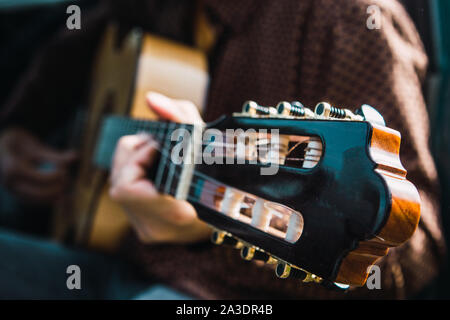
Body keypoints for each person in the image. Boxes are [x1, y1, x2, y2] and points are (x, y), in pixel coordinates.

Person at [0, 0, 445, 299]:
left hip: (219, 293)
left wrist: (200, 227)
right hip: (105, 246)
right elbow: (67, 52)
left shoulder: (345, 21)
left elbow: (409, 255)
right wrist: (15, 131)